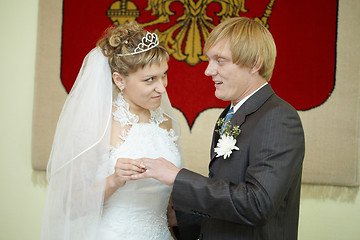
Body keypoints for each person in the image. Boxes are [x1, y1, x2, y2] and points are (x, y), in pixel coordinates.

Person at [131, 17, 305, 240]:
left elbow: (257, 205)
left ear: (254, 63)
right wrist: (181, 219)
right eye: (209, 60)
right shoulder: (229, 115)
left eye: (220, 61)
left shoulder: (278, 117)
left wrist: (178, 178)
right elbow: (227, 199)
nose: (208, 71)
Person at [40, 21, 182, 240]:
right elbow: (70, 206)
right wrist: (114, 180)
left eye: (164, 75)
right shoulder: (97, 126)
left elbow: (165, 202)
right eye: (149, 80)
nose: (162, 87)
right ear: (119, 80)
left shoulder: (166, 122)